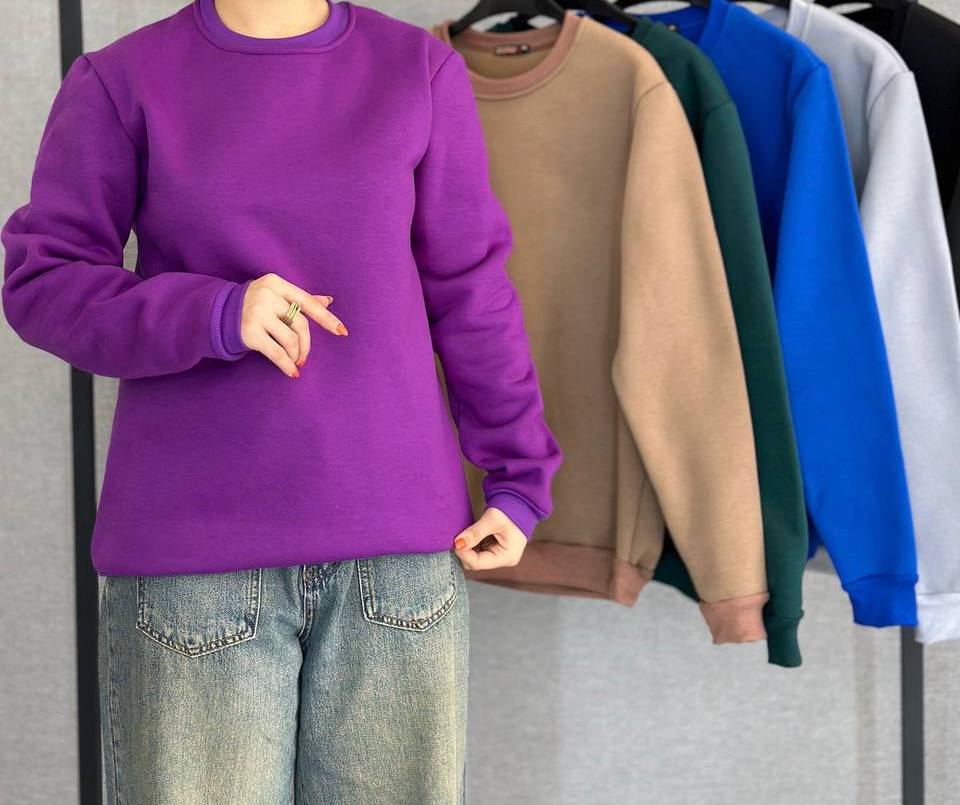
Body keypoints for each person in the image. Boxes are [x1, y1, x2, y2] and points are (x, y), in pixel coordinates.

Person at [0, 1, 563, 802]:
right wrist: (214, 312)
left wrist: (518, 475)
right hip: (192, 566)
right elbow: (44, 284)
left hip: (396, 565)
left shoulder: (418, 72)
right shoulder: (121, 82)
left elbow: (471, 290)